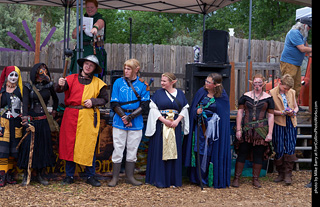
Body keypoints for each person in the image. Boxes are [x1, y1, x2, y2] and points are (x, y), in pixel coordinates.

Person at [57, 55, 108, 187]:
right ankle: (69, 176)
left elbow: (105, 99)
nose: (88, 66)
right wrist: (59, 84)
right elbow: (59, 90)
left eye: (91, 65)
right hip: (71, 115)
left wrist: (93, 101)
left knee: (88, 146)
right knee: (70, 146)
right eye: (86, 63)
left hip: (88, 117)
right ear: (83, 64)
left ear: (94, 68)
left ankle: (90, 176)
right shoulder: (71, 78)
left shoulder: (98, 83)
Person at [183, 73, 231, 188]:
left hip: (215, 131)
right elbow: (193, 108)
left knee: (211, 152)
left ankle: (211, 178)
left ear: (216, 85)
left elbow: (223, 114)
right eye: (206, 81)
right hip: (200, 127)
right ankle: (198, 178)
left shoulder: (222, 96)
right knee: (199, 151)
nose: (206, 83)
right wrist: (196, 112)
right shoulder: (201, 92)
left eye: (209, 82)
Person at [108, 59, 150, 187]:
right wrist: (124, 117)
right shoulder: (118, 82)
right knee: (118, 148)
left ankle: (130, 177)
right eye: (125, 68)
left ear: (136, 69)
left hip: (135, 121)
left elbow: (145, 105)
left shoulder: (144, 85)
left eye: (129, 69)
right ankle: (115, 178)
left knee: (132, 149)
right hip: (119, 120)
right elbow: (114, 102)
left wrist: (130, 117)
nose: (126, 71)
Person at [145, 72, 189, 188]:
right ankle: (160, 179)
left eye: (164, 81)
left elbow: (184, 109)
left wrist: (177, 121)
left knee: (174, 152)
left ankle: (173, 180)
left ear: (172, 82)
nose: (162, 83)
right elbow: (153, 108)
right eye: (161, 80)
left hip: (175, 126)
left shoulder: (180, 94)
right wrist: (163, 120)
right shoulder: (158, 94)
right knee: (160, 151)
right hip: (161, 126)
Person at [18, 63, 58, 186]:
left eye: (45, 70)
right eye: (41, 70)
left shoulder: (49, 85)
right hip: (32, 120)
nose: (43, 72)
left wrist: (54, 110)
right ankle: (26, 174)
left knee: (43, 146)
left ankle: (40, 175)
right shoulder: (28, 86)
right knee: (28, 146)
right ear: (35, 72)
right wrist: (25, 119)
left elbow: (55, 99)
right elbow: (25, 103)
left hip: (44, 119)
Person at [233, 74, 274, 188]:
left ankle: (255, 179)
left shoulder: (268, 98)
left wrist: (270, 133)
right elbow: (240, 113)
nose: (257, 86)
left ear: (263, 84)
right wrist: (238, 129)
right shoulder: (245, 97)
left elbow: (271, 116)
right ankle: (236, 178)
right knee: (242, 152)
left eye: (259, 83)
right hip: (247, 129)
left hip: (261, 130)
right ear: (252, 83)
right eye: (255, 83)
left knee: (258, 154)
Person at [270, 74, 299, 185]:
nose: (286, 90)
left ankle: (288, 174)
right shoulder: (272, 93)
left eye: (288, 89)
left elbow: (296, 106)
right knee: (279, 146)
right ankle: (280, 173)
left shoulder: (292, 92)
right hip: (279, 121)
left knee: (290, 146)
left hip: (291, 121)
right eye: (285, 88)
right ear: (280, 83)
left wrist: (294, 111)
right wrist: (281, 112)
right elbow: (271, 111)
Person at [69, 0, 106, 78]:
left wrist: (95, 27)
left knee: (91, 73)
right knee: (77, 72)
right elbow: (74, 35)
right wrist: (79, 28)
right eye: (88, 7)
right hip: (80, 50)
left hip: (93, 50)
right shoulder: (82, 19)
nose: (89, 9)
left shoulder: (99, 18)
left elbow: (100, 23)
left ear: (96, 8)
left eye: (92, 7)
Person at [0, 66, 23, 187]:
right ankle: (1, 175)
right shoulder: (1, 90)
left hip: (16, 124)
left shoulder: (21, 91)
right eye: (11, 75)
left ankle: (9, 175)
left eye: (16, 75)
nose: (13, 78)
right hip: (3, 124)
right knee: (2, 151)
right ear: (6, 76)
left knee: (13, 151)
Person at [280, 16, 312, 101]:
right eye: (309, 26)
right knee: (288, 85)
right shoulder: (294, 33)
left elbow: (306, 46)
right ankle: (285, 106)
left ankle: (294, 105)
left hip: (296, 63)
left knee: (297, 85)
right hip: (289, 63)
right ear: (304, 25)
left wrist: (310, 53)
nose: (310, 28)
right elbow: (302, 48)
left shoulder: (302, 34)